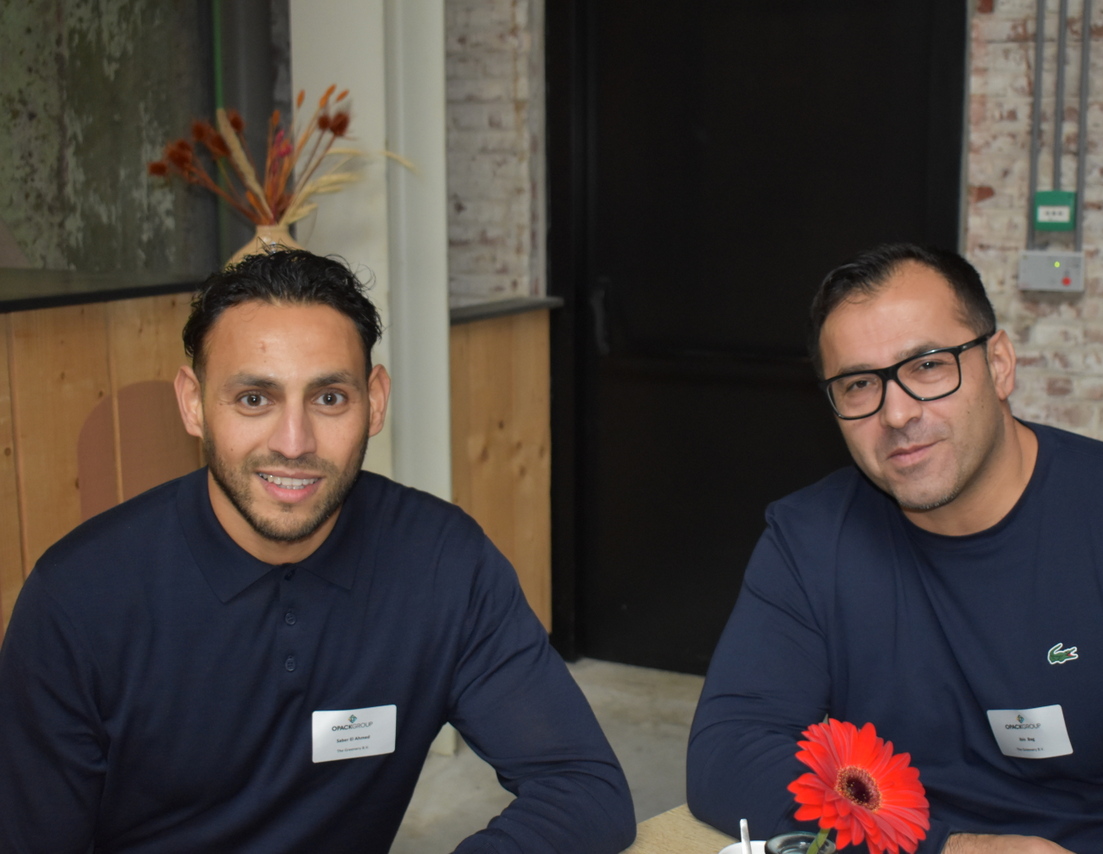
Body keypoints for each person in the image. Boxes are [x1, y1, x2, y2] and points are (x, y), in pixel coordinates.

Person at [0, 251, 635, 853]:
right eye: (255, 399)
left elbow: (582, 787)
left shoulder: (443, 562)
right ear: (194, 404)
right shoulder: (78, 600)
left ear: (374, 402)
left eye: (329, 398)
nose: (294, 442)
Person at [686, 243, 1103, 853]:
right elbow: (727, 754)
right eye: (859, 384)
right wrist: (949, 849)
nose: (896, 414)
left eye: (927, 366)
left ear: (999, 365)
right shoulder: (809, 538)